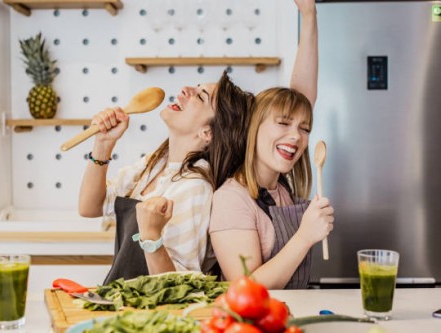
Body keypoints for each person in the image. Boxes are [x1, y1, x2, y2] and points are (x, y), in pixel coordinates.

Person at [78, 72, 254, 284]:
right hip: (126, 303)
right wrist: (103, 144)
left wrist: (151, 235)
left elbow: (178, 285)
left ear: (208, 132)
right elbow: (90, 207)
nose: (186, 90)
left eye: (200, 96)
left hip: (149, 312)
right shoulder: (155, 163)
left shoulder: (195, 187)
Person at [209, 0, 334, 289]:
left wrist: (309, 14)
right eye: (283, 123)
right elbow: (246, 290)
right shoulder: (231, 199)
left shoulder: (281, 188)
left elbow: (303, 96)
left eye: (304, 129)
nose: (296, 136)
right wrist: (305, 236)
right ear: (255, 126)